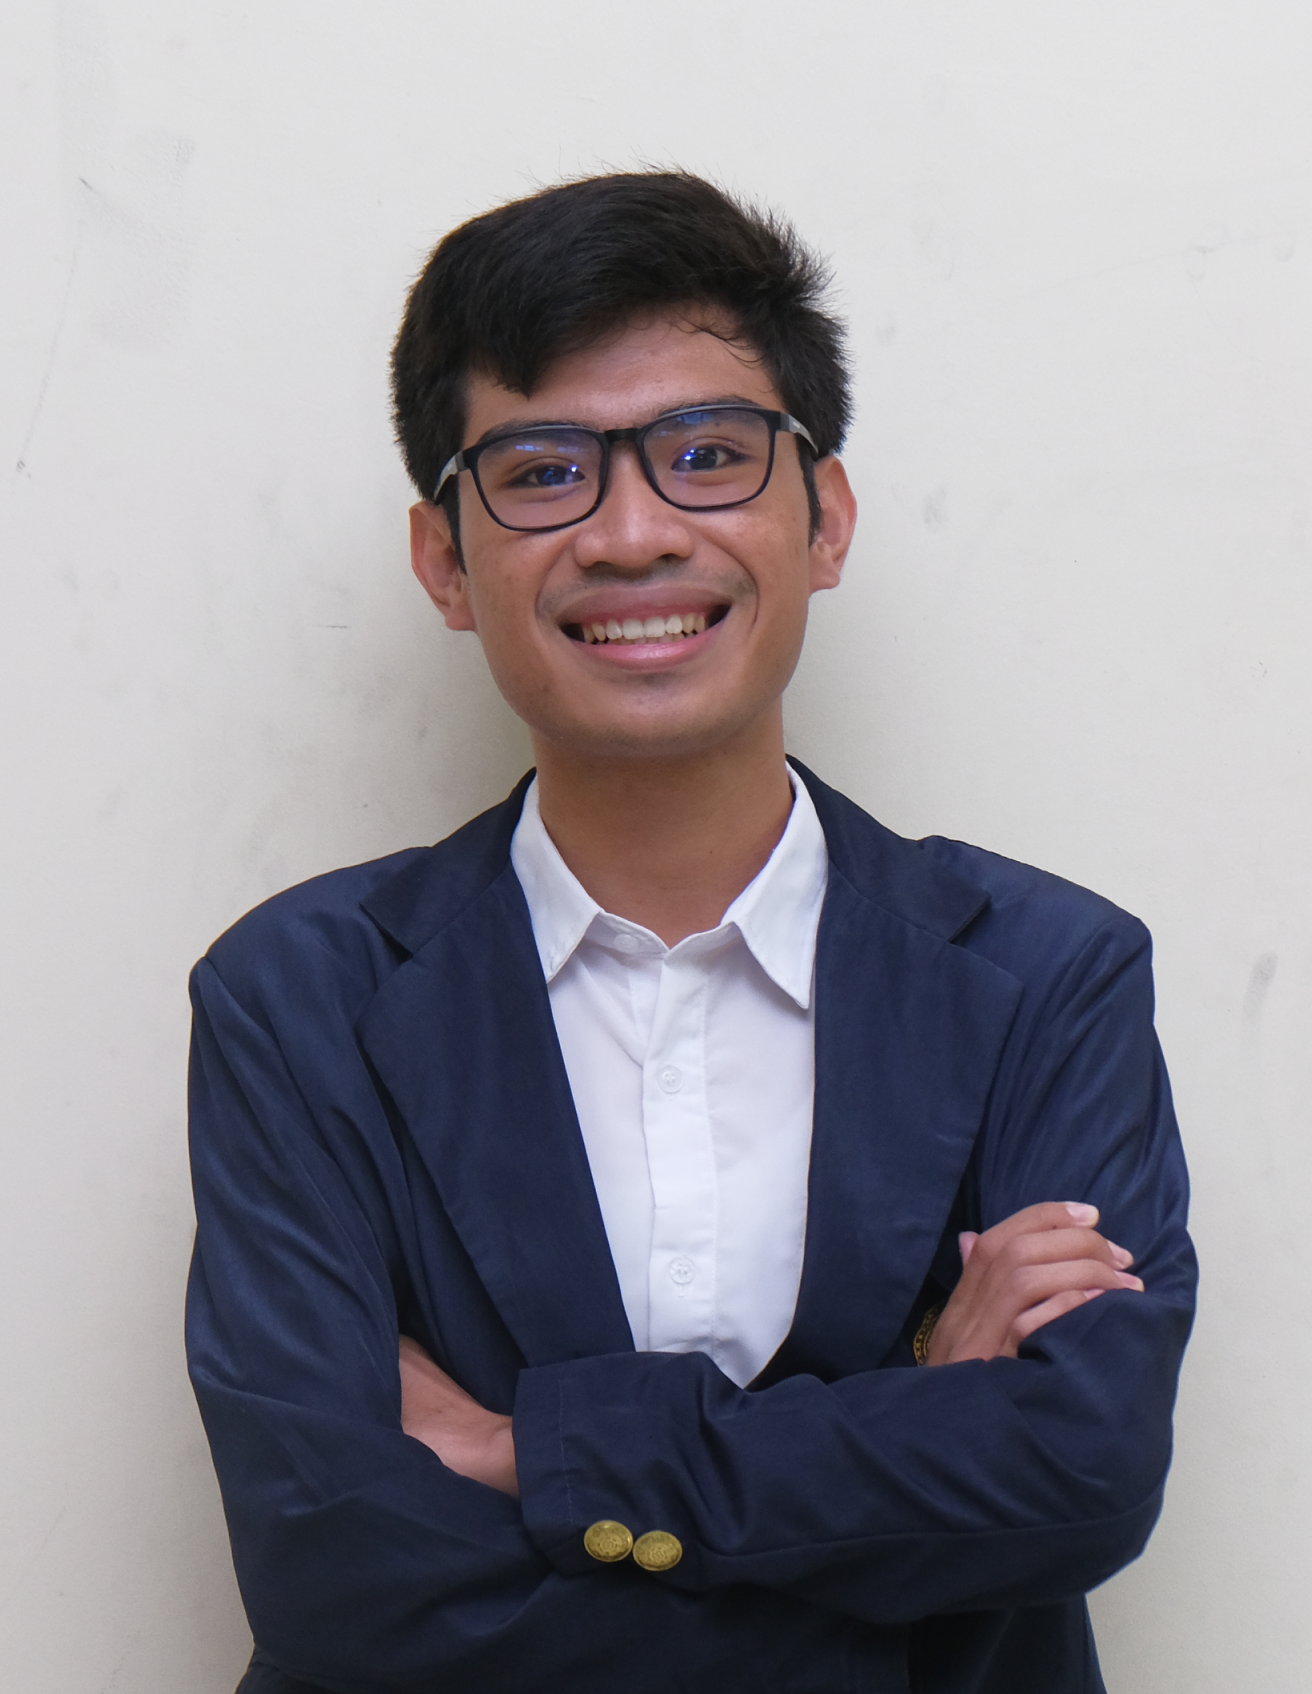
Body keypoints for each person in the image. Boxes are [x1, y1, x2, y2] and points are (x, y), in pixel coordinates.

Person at [186, 172, 1196, 1694]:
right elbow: (338, 1563)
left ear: (826, 519)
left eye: (710, 455)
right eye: (541, 472)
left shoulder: (1046, 973)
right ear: (447, 563)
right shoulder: (300, 995)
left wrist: (535, 1450)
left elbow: (1083, 1470)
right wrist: (913, 1441)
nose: (635, 531)